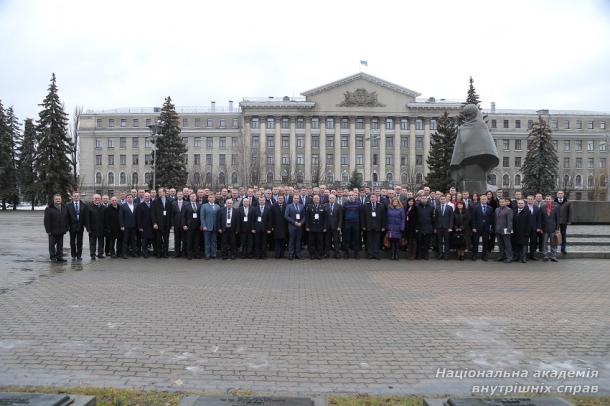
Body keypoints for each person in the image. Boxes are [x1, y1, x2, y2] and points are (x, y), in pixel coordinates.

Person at [44, 194, 69, 262]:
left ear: (61, 200)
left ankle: (59, 257)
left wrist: (66, 228)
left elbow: (66, 219)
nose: (58, 200)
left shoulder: (64, 208)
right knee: (52, 245)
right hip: (52, 231)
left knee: (60, 245)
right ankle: (53, 257)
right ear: (54, 200)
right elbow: (46, 221)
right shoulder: (49, 209)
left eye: (59, 199)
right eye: (56, 199)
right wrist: (48, 230)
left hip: (61, 230)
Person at [361, 194, 386, 260]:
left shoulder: (381, 205)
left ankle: (376, 254)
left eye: (374, 197)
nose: (373, 198)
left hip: (378, 226)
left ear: (377, 198)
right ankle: (370, 254)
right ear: (370, 198)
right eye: (372, 197)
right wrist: (363, 225)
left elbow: (383, 217)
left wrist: (383, 226)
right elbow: (363, 217)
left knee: (377, 241)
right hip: (368, 226)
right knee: (369, 241)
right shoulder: (365, 205)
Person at [471, 194, 494, 261]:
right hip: (477, 227)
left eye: (485, 199)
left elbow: (491, 219)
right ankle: (474, 255)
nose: (484, 200)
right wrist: (473, 227)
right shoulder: (476, 207)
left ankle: (484, 256)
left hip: (486, 228)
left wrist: (490, 227)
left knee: (485, 242)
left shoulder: (490, 208)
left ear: (487, 200)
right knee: (475, 242)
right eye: (482, 199)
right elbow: (473, 218)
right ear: (480, 200)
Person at [305, 194, 327, 259]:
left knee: (320, 242)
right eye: (315, 198)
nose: (316, 200)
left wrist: (325, 227)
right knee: (311, 242)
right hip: (311, 227)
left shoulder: (323, 206)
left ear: (319, 199)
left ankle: (319, 254)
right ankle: (312, 254)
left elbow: (325, 218)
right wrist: (307, 226)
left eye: (317, 198)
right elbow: (307, 218)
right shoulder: (309, 206)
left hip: (320, 228)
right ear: (313, 199)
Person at [66, 191, 87, 260]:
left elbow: (85, 217)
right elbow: (67, 217)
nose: (76, 197)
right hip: (72, 227)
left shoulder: (83, 205)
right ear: (72, 197)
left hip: (80, 226)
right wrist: (67, 226)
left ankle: (79, 255)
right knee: (72, 242)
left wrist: (86, 226)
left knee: (79, 242)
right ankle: (73, 255)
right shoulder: (68, 205)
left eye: (77, 196)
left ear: (79, 197)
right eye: (74, 196)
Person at [151, 188, 171, 258]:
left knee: (166, 240)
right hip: (158, 225)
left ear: (165, 193)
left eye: (161, 192)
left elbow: (171, 214)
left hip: (166, 224)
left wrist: (170, 224)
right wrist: (154, 223)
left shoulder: (169, 201)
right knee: (158, 240)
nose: (159, 193)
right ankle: (158, 253)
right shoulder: (155, 201)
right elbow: (153, 214)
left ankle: (165, 253)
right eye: (158, 192)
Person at [284, 194, 305, 260]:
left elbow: (304, 216)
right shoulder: (289, 206)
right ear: (293, 199)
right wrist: (294, 222)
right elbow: (286, 216)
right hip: (292, 226)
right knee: (292, 240)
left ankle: (297, 254)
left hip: (300, 226)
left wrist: (301, 223)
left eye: (297, 198)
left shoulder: (302, 206)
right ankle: (291, 254)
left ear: (299, 199)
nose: (296, 199)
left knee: (298, 240)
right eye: (295, 198)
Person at [342, 191, 362, 259]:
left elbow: (360, 214)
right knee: (346, 239)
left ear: (355, 196)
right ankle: (346, 253)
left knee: (356, 239)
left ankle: (356, 254)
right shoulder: (345, 204)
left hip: (356, 223)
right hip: (347, 223)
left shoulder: (358, 203)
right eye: (349, 195)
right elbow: (343, 214)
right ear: (348, 196)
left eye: (352, 195)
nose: (351, 196)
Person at [540, 195, 560, 262]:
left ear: (551, 200)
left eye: (549, 199)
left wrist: (557, 229)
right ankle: (545, 255)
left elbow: (557, 219)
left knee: (553, 243)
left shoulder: (556, 207)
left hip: (553, 229)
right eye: (547, 199)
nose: (548, 200)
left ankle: (553, 256)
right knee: (544, 243)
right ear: (545, 200)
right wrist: (540, 228)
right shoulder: (542, 207)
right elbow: (540, 219)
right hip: (544, 228)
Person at [200, 194, 220, 259]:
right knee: (207, 241)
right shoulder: (204, 206)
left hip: (215, 227)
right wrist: (204, 226)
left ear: (214, 199)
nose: (211, 198)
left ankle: (213, 254)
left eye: (213, 197)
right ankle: (207, 255)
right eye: (210, 197)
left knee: (214, 241)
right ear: (208, 199)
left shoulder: (217, 206)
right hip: (207, 227)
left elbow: (219, 217)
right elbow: (202, 217)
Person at [415, 196, 435, 260]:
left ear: (427, 199)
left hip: (428, 227)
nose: (424, 200)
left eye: (425, 198)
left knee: (427, 242)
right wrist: (416, 227)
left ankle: (426, 255)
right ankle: (419, 255)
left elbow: (433, 218)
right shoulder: (417, 207)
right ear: (420, 199)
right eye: (422, 198)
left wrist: (432, 227)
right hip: (419, 227)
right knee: (419, 242)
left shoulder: (431, 207)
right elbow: (416, 218)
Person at [87, 194, 106, 260]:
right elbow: (87, 219)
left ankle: (100, 254)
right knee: (92, 243)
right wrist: (88, 228)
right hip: (92, 229)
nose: (97, 200)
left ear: (100, 199)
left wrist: (106, 228)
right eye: (96, 198)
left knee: (101, 242)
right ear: (93, 199)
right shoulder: (89, 207)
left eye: (98, 198)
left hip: (101, 228)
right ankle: (92, 254)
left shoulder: (103, 207)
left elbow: (106, 219)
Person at [435, 195, 454, 260]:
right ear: (440, 200)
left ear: (446, 200)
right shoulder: (437, 208)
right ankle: (440, 254)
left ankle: (446, 254)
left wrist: (450, 227)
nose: (442, 200)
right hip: (439, 227)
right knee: (439, 241)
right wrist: (435, 227)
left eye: (443, 199)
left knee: (446, 241)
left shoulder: (449, 207)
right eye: (441, 199)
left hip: (447, 227)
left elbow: (451, 218)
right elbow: (436, 218)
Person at [494, 198, 513, 263]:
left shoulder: (509, 210)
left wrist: (509, 230)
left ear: (506, 202)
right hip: (498, 230)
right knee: (500, 245)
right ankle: (501, 256)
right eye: (500, 202)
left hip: (505, 230)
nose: (501, 203)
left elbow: (510, 221)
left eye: (503, 202)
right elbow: (496, 220)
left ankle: (509, 257)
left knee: (507, 245)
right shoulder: (497, 209)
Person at [183, 193, 201, 260]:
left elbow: (200, 216)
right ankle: (189, 255)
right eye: (191, 196)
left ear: (196, 197)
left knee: (197, 241)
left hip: (197, 226)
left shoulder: (199, 205)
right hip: (189, 226)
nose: (193, 197)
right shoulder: (186, 205)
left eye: (194, 196)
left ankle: (197, 254)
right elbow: (183, 216)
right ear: (189, 198)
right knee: (189, 241)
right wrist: (184, 225)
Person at [135, 193, 154, 258]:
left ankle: (153, 251)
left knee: (151, 239)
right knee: (144, 240)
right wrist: (140, 226)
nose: (147, 197)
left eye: (148, 196)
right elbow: (138, 217)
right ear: (143, 197)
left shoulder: (153, 204)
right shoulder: (140, 206)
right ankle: (144, 252)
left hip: (152, 226)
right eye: (146, 196)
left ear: (150, 197)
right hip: (144, 226)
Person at [512, 199, 531, 263]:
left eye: (522, 203)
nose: (520, 204)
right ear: (517, 204)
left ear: (524, 204)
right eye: (519, 203)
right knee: (516, 245)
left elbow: (529, 223)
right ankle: (517, 257)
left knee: (524, 246)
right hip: (515, 232)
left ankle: (524, 258)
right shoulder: (514, 211)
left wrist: (527, 232)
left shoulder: (527, 212)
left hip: (524, 232)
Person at [119, 193, 138, 258]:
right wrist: (122, 226)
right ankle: (124, 253)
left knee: (133, 240)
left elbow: (137, 216)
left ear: (133, 198)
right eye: (128, 197)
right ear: (126, 199)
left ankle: (133, 253)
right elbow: (120, 217)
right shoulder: (123, 206)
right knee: (125, 241)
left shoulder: (136, 205)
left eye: (131, 197)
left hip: (134, 227)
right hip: (126, 227)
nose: (129, 198)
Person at [325, 194, 343, 259]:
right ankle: (327, 253)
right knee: (327, 241)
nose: (331, 199)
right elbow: (324, 217)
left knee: (336, 241)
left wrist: (339, 226)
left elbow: (340, 217)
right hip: (327, 227)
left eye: (333, 198)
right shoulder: (325, 206)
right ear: (328, 199)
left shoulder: (339, 206)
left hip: (336, 227)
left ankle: (337, 254)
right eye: (330, 198)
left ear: (335, 199)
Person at [525, 195, 542, 261]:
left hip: (534, 228)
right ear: (526, 200)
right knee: (525, 242)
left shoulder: (537, 208)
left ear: (533, 200)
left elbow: (539, 219)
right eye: (528, 199)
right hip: (525, 228)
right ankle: (525, 255)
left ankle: (532, 255)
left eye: (531, 199)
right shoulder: (524, 207)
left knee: (533, 242)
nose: (530, 200)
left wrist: (539, 227)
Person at [555, 191, 571, 255]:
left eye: (561, 193)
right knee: (555, 235)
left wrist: (569, 220)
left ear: (563, 194)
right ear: (557, 195)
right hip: (556, 221)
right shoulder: (554, 202)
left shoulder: (567, 202)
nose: (560, 194)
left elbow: (570, 212)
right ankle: (555, 249)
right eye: (559, 193)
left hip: (564, 221)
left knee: (563, 235)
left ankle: (563, 249)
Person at [171, 191, 187, 257]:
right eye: (179, 194)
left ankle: (183, 252)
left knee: (184, 239)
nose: (180, 195)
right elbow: (172, 215)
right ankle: (177, 253)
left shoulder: (186, 203)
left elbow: (187, 215)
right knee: (177, 239)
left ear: (183, 195)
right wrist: (172, 224)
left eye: (181, 194)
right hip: (176, 224)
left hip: (184, 225)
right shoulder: (173, 203)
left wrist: (186, 224)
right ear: (177, 195)